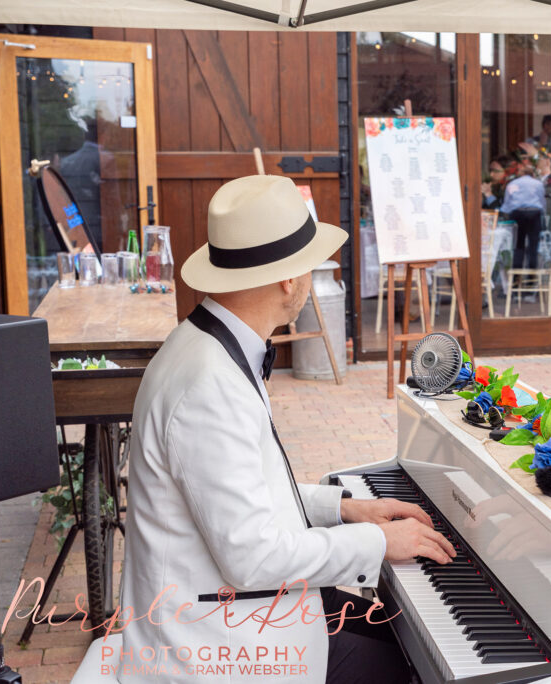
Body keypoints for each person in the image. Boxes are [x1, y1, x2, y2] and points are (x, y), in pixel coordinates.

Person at [119, 175, 456, 684]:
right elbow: (253, 558)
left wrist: (342, 508)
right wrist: (376, 541)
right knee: (411, 664)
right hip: (218, 651)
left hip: (233, 620)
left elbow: (234, 489)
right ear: (287, 280)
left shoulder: (208, 346)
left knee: (404, 638)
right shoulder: (207, 383)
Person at [501, 159, 547, 271]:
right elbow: (542, 201)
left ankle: (516, 274)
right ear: (532, 174)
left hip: (517, 214)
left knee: (518, 244)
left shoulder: (513, 184)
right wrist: (544, 213)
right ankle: (532, 274)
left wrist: (504, 213)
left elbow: (507, 203)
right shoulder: (538, 184)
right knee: (533, 245)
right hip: (534, 213)